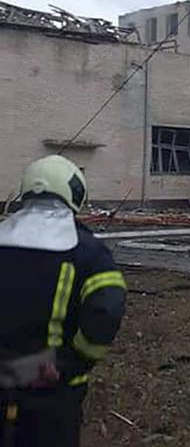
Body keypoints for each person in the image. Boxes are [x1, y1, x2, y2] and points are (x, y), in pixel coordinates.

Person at [0, 155, 126, 446]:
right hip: (51, 389)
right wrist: (72, 363)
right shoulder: (88, 252)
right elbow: (107, 310)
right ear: (75, 193)